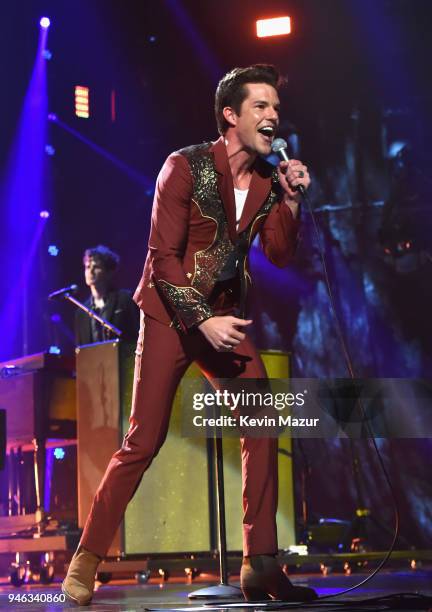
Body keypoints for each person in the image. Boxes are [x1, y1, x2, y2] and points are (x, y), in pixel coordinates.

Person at [63, 64, 317, 604]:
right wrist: (201, 319)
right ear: (231, 115)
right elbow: (161, 259)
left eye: (275, 107)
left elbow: (277, 252)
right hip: (170, 316)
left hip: (223, 317)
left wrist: (292, 198)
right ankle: (85, 560)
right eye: (261, 107)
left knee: (263, 419)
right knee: (143, 441)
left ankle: (260, 562)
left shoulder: (272, 180)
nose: (272, 116)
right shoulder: (185, 166)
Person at [75, 245, 140, 345]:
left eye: (96, 267)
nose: (90, 271)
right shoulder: (81, 312)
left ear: (109, 272)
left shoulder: (126, 299)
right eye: (87, 267)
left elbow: (139, 336)